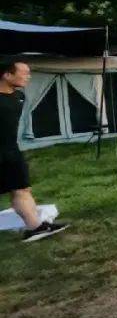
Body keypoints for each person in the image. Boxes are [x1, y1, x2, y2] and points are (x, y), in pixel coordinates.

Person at [0, 57, 68, 242]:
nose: (28, 77)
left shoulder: (19, 97)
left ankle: (35, 228)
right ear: (7, 75)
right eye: (24, 74)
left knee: (21, 189)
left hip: (11, 151)